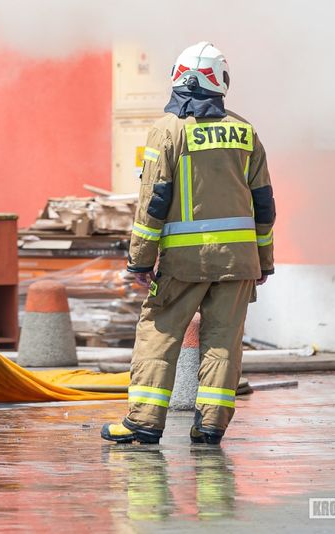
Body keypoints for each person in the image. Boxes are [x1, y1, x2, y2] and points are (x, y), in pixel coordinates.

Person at [101, 41, 275, 445]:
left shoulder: (168, 130)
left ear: (179, 78)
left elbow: (153, 201)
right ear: (221, 82)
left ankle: (144, 421)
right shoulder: (245, 132)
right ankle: (211, 426)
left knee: (158, 334)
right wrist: (263, 261)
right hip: (239, 263)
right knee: (224, 342)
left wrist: (140, 261)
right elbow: (264, 204)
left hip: (184, 263)